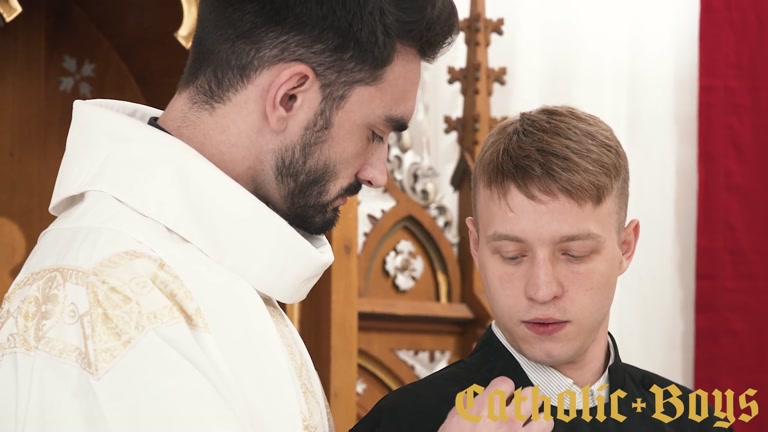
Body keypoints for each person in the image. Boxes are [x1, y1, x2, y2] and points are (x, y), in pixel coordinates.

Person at [0, 1, 501, 431]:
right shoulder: (103, 302)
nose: (377, 174)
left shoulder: (203, 273)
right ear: (289, 97)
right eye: (376, 133)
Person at [350, 106, 736, 431]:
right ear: (476, 246)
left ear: (625, 248)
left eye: (575, 254)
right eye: (513, 256)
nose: (541, 289)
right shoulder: (401, 422)